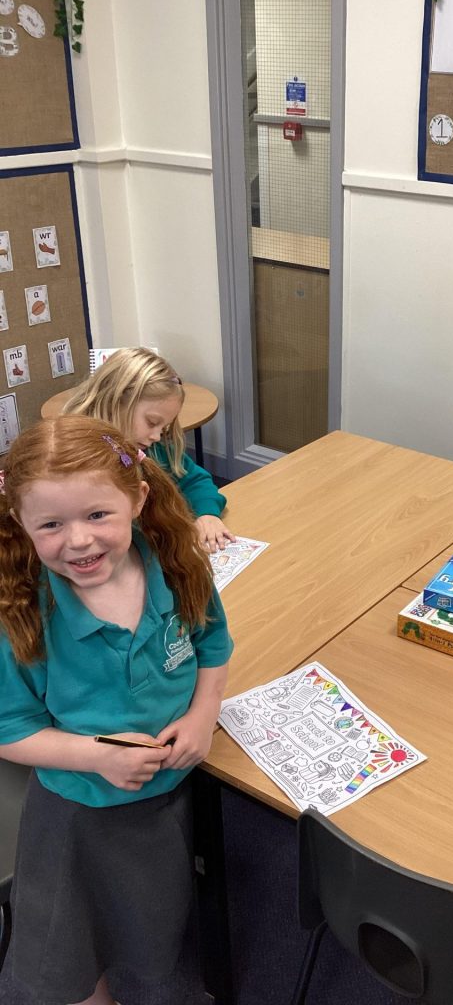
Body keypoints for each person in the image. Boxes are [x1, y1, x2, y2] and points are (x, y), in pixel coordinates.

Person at [0, 416, 234, 1005]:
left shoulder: (177, 564)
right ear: (21, 524)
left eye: (98, 514)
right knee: (69, 945)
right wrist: (96, 756)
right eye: (51, 525)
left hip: (168, 796)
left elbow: (212, 645)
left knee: (146, 918)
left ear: (138, 498)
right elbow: (10, 729)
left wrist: (203, 713)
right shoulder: (22, 611)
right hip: (78, 812)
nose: (79, 541)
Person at [64, 347, 234, 552]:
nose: (157, 436)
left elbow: (195, 481)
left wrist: (207, 514)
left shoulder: (155, 450)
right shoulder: (75, 461)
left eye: (163, 428)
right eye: (152, 422)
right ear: (114, 402)